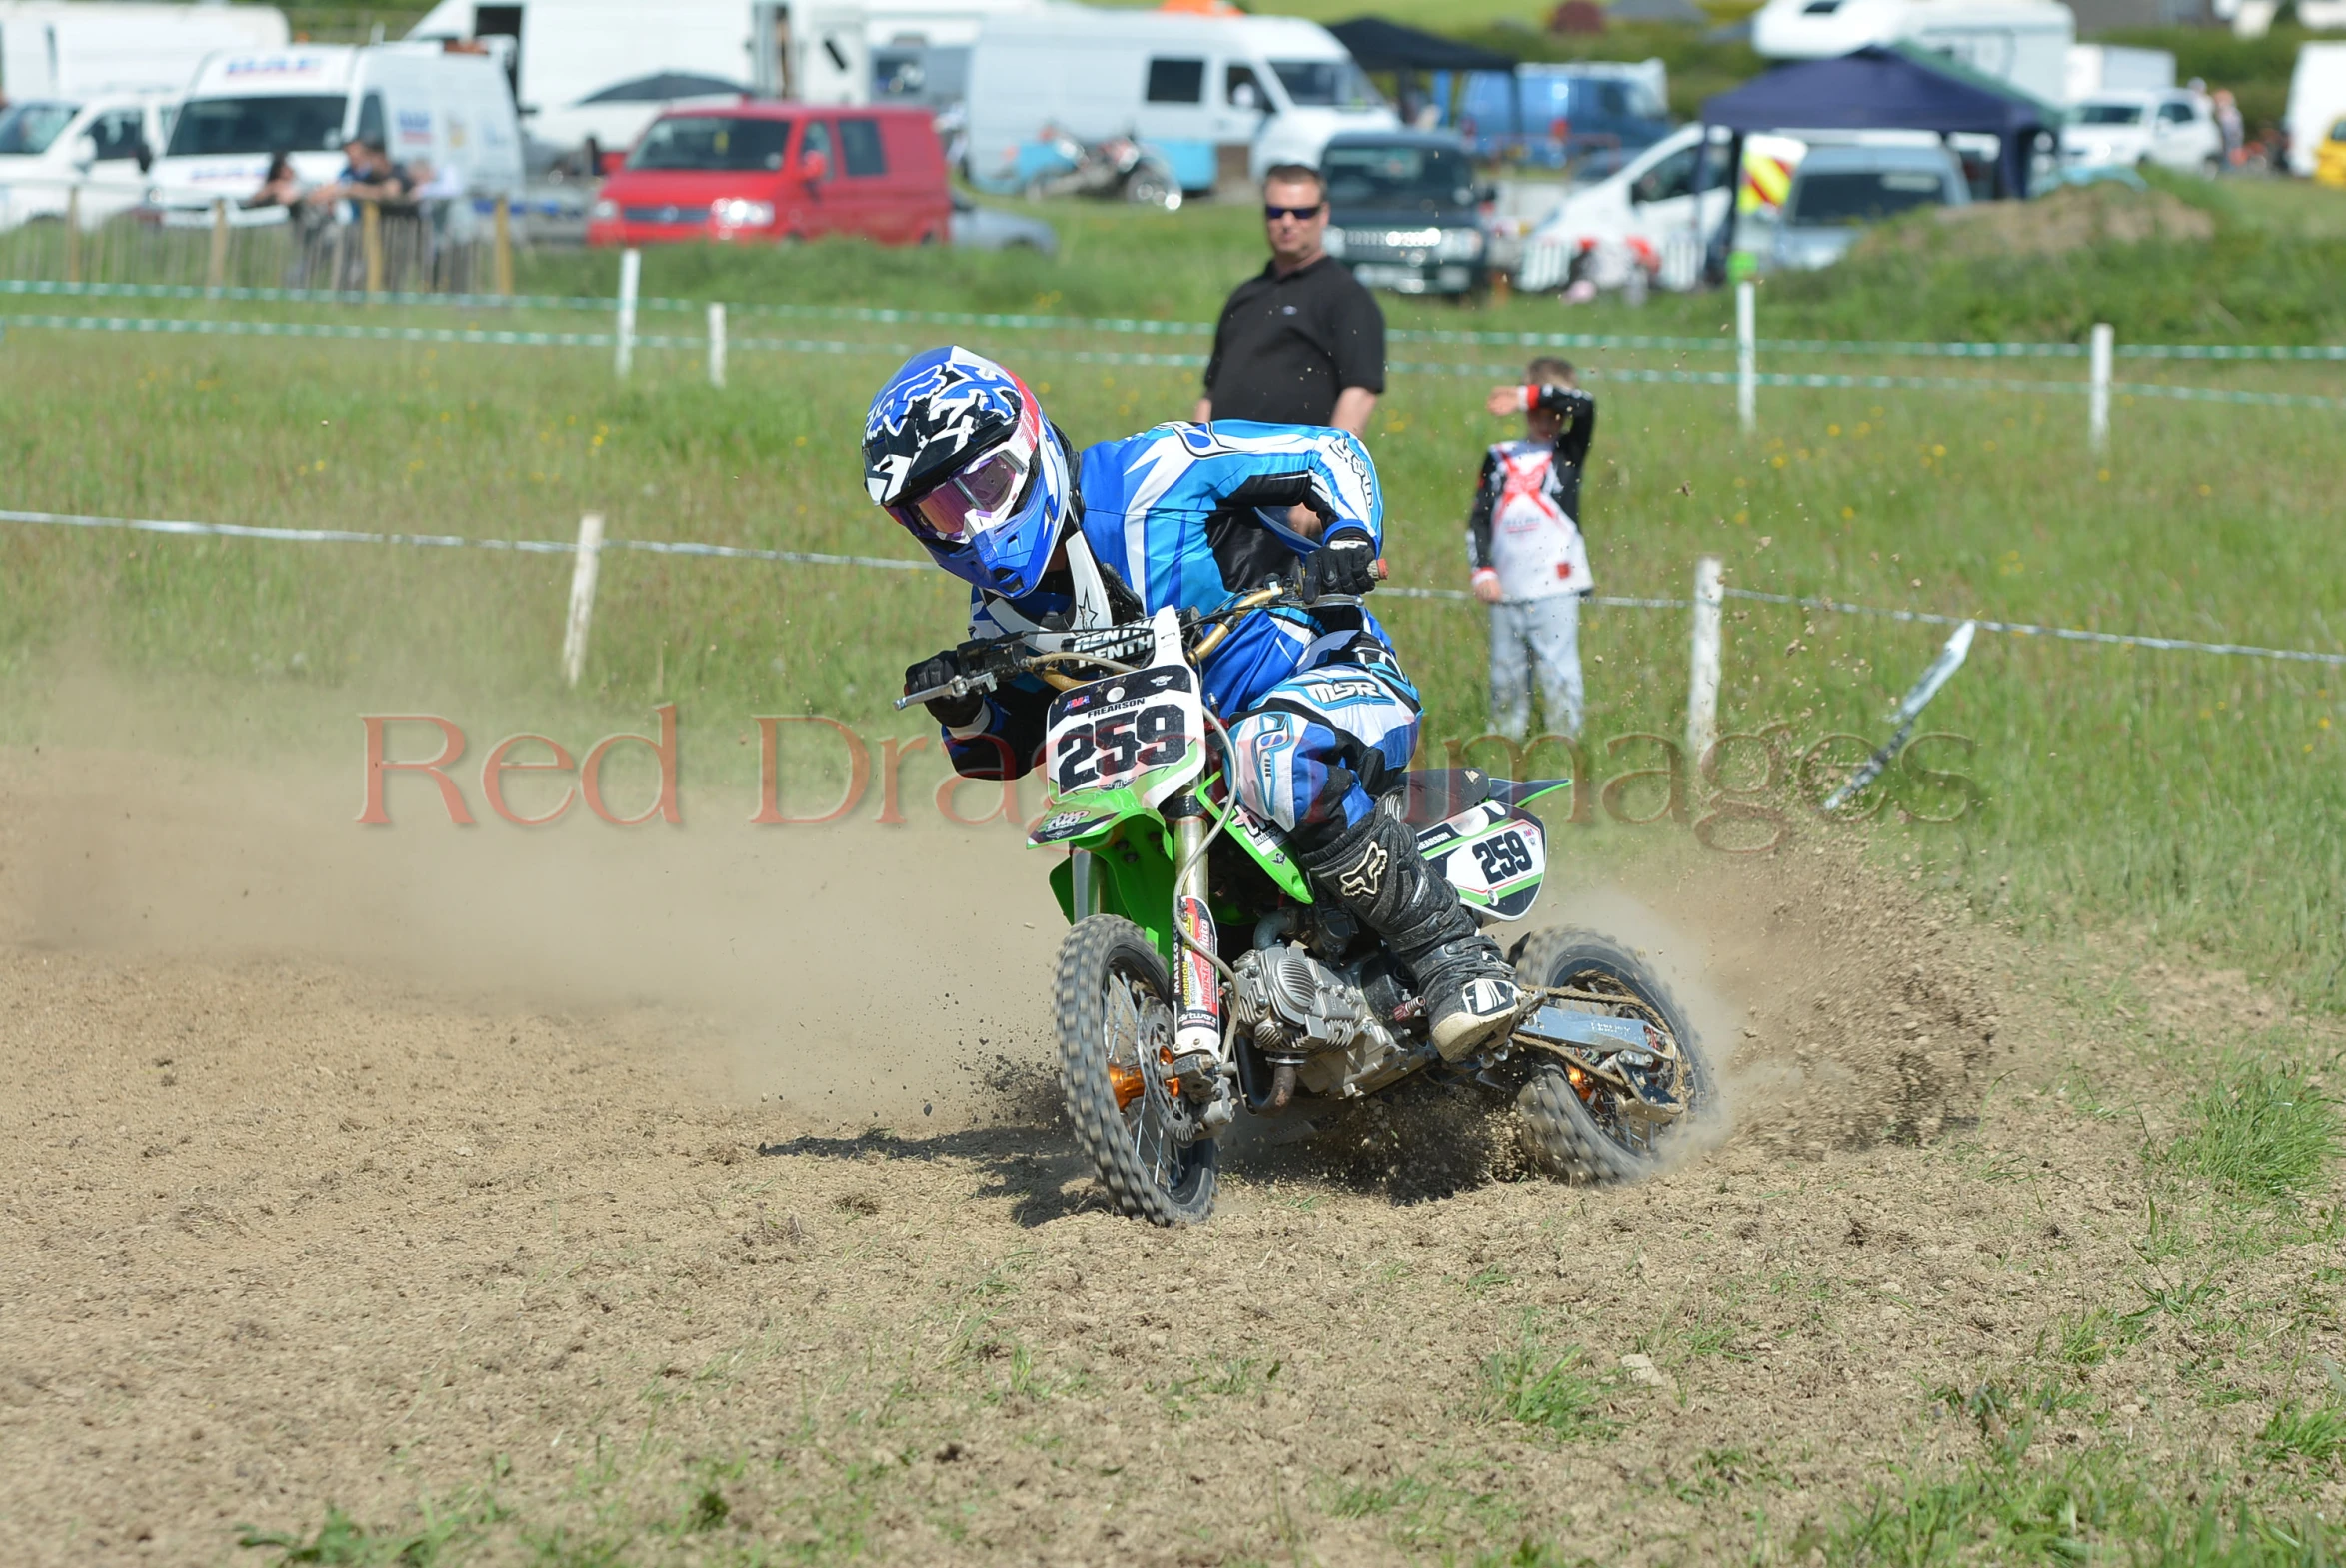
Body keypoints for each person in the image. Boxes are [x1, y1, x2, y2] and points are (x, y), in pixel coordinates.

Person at [868, 346, 1526, 1066]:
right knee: (1106, 804)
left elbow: (1328, 451)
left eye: (984, 485)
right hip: (1192, 759)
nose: (972, 522)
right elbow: (1014, 741)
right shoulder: (999, 612)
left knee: (1268, 753)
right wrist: (961, 708)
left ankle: (1454, 958)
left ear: (1028, 444)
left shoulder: (1157, 469)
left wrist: (1346, 537)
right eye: (941, 508)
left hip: (1332, 672)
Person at [1194, 165, 1384, 436]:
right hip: (1227, 469)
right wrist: (1196, 458)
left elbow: (1361, 392)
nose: (1287, 222)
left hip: (1297, 471)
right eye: (1276, 211)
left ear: (1324, 214)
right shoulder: (1244, 296)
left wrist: (1329, 464)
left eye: (1302, 212)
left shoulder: (1348, 297)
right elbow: (1211, 393)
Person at [1470, 358, 1597, 742]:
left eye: (1556, 412)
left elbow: (1586, 405)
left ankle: (1566, 745)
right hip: (1507, 586)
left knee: (1559, 672)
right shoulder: (1499, 456)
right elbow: (1479, 518)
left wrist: (1528, 395)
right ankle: (1504, 746)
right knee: (1505, 676)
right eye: (1539, 412)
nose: (1548, 420)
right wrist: (1484, 570)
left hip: (1556, 586)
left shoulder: (1569, 452)